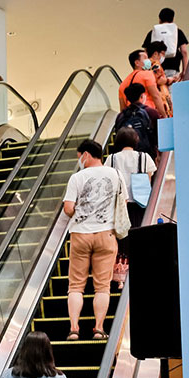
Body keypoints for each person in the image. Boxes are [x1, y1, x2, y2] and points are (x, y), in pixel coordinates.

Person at [63, 139, 126, 341]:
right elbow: (123, 202)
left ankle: (74, 329)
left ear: (86, 155)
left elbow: (68, 208)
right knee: (102, 286)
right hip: (106, 234)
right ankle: (99, 329)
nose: (79, 160)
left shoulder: (77, 177)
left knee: (75, 286)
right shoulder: (116, 175)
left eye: (79, 156)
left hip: (80, 235)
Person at [106, 127, 157, 232]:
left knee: (122, 234)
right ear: (136, 140)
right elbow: (148, 180)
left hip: (119, 204)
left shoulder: (111, 158)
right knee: (140, 231)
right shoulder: (144, 157)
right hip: (140, 203)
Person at [113, 83, 160, 156]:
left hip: (125, 156)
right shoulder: (151, 112)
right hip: (147, 155)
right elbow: (158, 135)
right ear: (142, 96)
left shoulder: (121, 116)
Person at [143, 7, 189, 80]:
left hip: (155, 66)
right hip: (173, 66)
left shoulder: (152, 32)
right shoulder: (178, 32)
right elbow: (184, 51)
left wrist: (146, 69)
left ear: (160, 19)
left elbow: (145, 53)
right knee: (171, 85)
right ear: (172, 20)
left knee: (156, 85)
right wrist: (185, 70)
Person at [119, 49, 166, 117]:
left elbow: (122, 109)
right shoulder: (147, 74)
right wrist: (164, 115)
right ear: (137, 63)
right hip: (147, 114)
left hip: (131, 118)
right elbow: (156, 96)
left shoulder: (123, 84)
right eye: (145, 58)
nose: (148, 60)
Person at [146, 40, 173, 117]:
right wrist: (170, 80)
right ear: (155, 53)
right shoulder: (155, 65)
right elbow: (158, 80)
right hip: (160, 99)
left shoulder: (145, 65)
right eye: (162, 54)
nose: (163, 57)